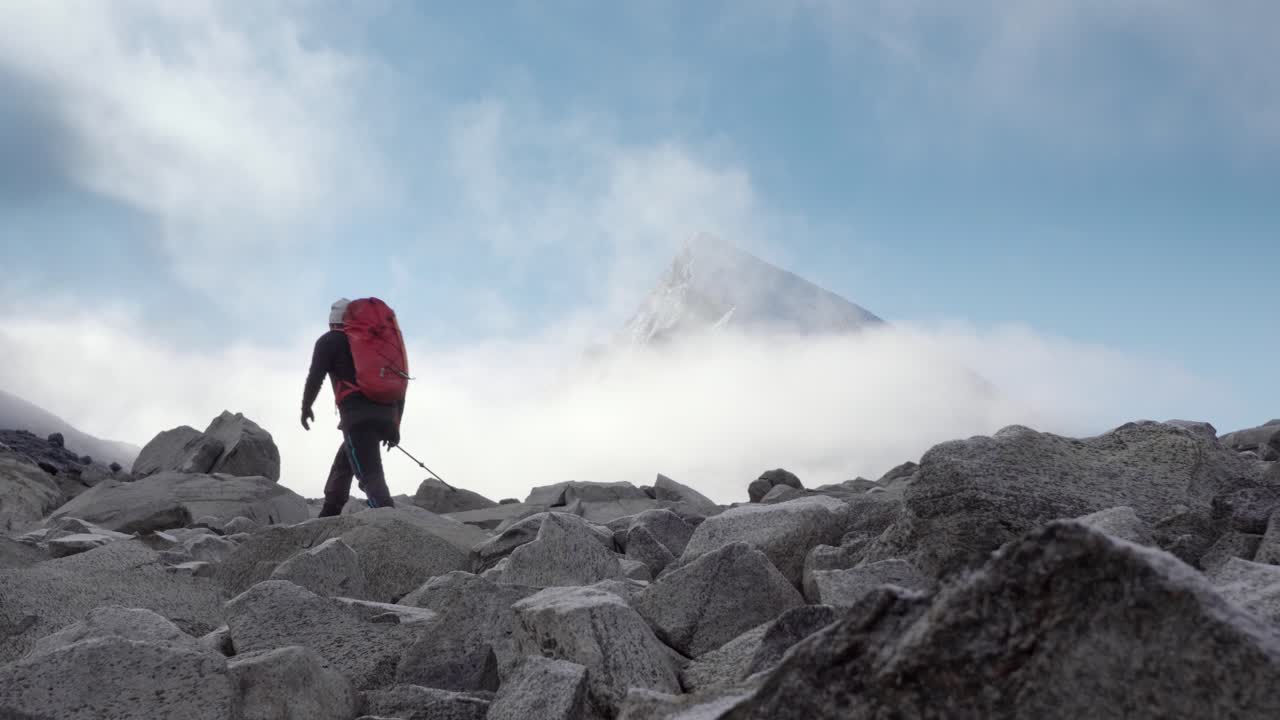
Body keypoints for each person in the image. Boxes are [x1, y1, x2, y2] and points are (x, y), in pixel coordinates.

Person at [302, 298, 404, 516]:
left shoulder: (329, 341)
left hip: (357, 419)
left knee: (370, 475)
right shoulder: (374, 342)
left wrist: (306, 407)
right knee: (346, 458)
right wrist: (395, 425)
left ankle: (391, 523)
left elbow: (315, 377)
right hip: (387, 413)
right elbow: (399, 382)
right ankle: (330, 510)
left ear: (332, 322)